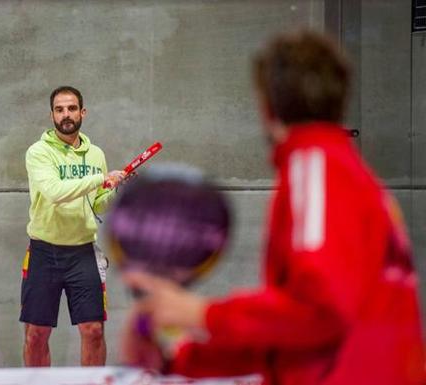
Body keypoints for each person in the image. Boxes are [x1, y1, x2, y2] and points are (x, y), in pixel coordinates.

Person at [121, 30, 425, 385]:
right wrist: (180, 358)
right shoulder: (342, 171)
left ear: (267, 105)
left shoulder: (315, 167)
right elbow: (294, 333)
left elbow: (321, 311)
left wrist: (202, 314)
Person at [22, 86, 126, 367]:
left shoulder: (96, 155)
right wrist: (100, 179)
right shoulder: (38, 152)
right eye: (59, 109)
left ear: (82, 112)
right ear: (52, 115)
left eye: (71, 108)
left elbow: (98, 203)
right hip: (44, 253)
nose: (65, 115)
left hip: (84, 253)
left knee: (93, 332)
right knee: (36, 335)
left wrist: (114, 188)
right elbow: (56, 192)